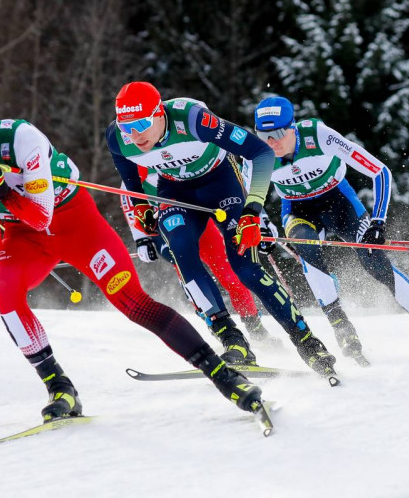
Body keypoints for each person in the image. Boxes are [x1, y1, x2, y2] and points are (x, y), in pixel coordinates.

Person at [0, 82, 266, 423]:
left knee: (134, 304)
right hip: (23, 239)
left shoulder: (20, 139)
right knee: (3, 285)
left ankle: (224, 376)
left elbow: (41, 215)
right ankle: (59, 387)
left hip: (76, 224)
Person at [106, 82, 336, 377]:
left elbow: (261, 153)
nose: (135, 135)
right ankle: (232, 339)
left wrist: (253, 210)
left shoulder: (193, 120)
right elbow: (126, 171)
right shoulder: (117, 137)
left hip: (221, 183)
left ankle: (306, 341)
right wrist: (140, 204)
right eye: (127, 128)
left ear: (159, 113)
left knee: (244, 267)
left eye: (141, 124)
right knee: (182, 252)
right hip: (174, 191)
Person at [249, 95, 409, 362]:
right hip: (298, 211)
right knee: (307, 249)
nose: (270, 142)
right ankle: (341, 325)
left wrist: (378, 221)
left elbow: (380, 171)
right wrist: (262, 228)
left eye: (278, 134)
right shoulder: (258, 153)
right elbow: (249, 197)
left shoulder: (319, 136)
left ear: (292, 127)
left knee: (376, 262)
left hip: (340, 204)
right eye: (263, 135)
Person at [120, 170, 281, 348]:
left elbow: (236, 179)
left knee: (229, 274)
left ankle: (256, 329)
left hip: (195, 217)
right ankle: (223, 330)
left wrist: (260, 218)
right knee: (189, 272)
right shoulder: (141, 151)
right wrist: (141, 238)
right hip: (161, 225)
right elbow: (127, 195)